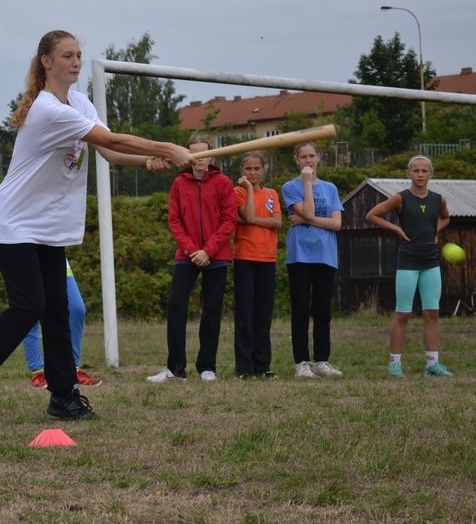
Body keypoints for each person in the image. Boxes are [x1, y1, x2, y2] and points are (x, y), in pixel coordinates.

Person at [0, 29, 193, 423]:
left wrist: (148, 161)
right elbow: (113, 139)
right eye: (67, 55)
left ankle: (63, 397)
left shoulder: (79, 102)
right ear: (46, 61)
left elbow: (109, 152)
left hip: (47, 227)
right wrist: (166, 148)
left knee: (57, 311)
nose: (76, 62)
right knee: (30, 306)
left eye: (78, 55)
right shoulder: (47, 109)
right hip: (14, 222)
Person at [147, 133, 237, 383]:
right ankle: (176, 369)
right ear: (187, 156)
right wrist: (191, 250)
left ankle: (207, 366)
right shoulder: (179, 183)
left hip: (216, 256)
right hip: (187, 256)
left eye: (204, 152)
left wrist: (208, 250)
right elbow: (174, 221)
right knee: (176, 305)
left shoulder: (224, 183)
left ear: (212, 155)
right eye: (194, 153)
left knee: (212, 310)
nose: (199, 158)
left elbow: (229, 220)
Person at [365, 155, 453, 377]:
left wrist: (434, 231)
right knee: (403, 314)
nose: (420, 175)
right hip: (407, 262)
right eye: (416, 171)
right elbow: (372, 215)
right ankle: (395, 364)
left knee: (432, 313)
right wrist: (396, 229)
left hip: (430, 262)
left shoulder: (439, 199)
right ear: (408, 173)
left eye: (424, 171)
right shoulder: (400, 198)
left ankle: (432, 364)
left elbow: (445, 218)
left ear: (431, 174)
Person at [282, 141, 344, 379]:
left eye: (312, 156)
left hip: (325, 255)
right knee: (300, 309)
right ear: (297, 160)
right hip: (300, 255)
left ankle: (321, 361)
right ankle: (301, 363)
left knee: (322, 310)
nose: (308, 160)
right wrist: (307, 182)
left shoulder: (330, 188)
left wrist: (307, 220)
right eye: (303, 157)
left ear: (318, 157)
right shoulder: (290, 187)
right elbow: (307, 211)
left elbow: (336, 224)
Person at [232, 151, 282, 379]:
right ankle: (244, 368)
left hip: (267, 259)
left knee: (263, 315)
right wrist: (250, 190)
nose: (252, 173)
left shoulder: (272, 193)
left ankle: (262, 366)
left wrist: (253, 221)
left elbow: (277, 221)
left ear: (264, 170)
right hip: (245, 258)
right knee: (245, 314)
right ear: (242, 171)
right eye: (248, 169)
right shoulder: (238, 192)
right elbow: (249, 214)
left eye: (256, 169)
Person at [23, 260, 102, 389]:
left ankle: (73, 368)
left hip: (55, 255)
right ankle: (38, 371)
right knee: (32, 310)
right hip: (26, 256)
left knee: (77, 308)